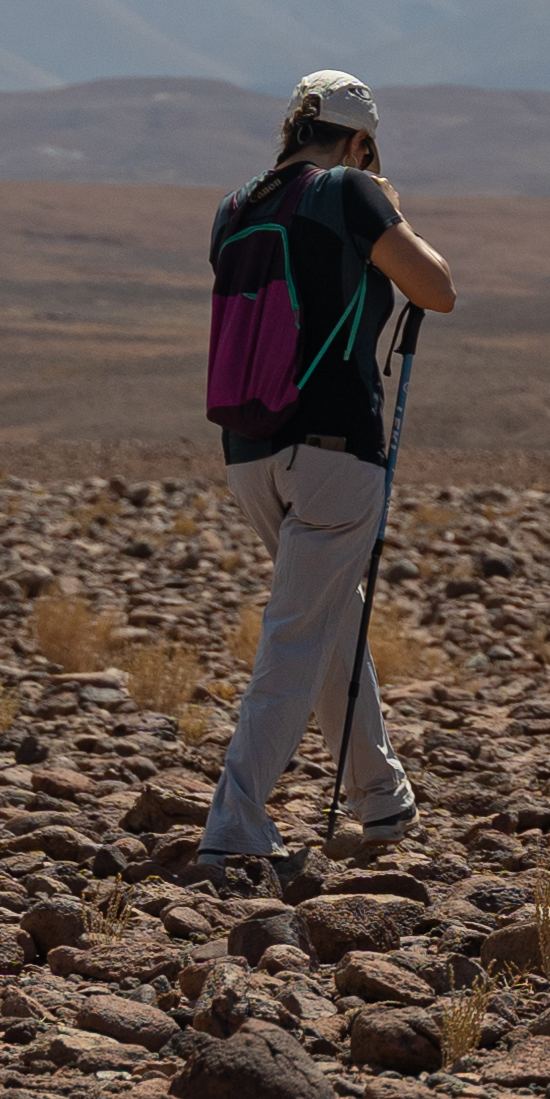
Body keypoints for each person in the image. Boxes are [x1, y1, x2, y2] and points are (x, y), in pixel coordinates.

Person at [202, 70, 459, 878]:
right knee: (299, 631)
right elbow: (438, 290)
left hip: (249, 450)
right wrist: (389, 200)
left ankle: (380, 797)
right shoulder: (351, 191)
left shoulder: (237, 206)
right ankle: (235, 822)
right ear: (359, 141)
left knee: (326, 615)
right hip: (335, 449)